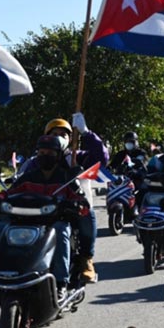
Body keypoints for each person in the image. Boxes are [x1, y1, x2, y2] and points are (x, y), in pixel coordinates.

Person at [0, 135, 87, 300]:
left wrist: (76, 205)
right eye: (41, 152)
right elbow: (8, 193)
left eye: (50, 153)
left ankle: (61, 282)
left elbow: (80, 200)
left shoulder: (66, 179)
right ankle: (2, 274)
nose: (45, 155)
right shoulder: (28, 177)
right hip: (25, 225)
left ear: (58, 156)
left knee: (61, 231)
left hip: (53, 224)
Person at [20, 113, 107, 282]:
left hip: (72, 206)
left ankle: (86, 259)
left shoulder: (76, 157)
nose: (58, 138)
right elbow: (20, 181)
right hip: (40, 208)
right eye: (54, 134)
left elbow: (101, 159)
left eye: (63, 135)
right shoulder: (35, 160)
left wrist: (87, 132)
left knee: (87, 217)